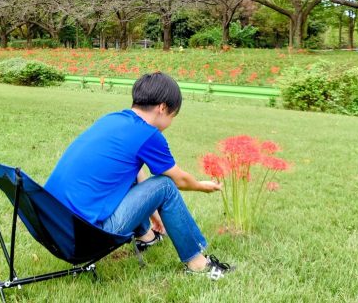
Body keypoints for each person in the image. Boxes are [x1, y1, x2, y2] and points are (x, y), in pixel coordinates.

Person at [44, 72, 235, 279]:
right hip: (85, 239)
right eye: (173, 115)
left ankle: (147, 237)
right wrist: (201, 186)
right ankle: (198, 264)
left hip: (54, 227)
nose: (171, 121)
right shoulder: (148, 134)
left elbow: (133, 173)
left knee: (126, 177)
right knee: (165, 186)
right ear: (163, 108)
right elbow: (178, 180)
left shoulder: (113, 119)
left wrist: (153, 215)